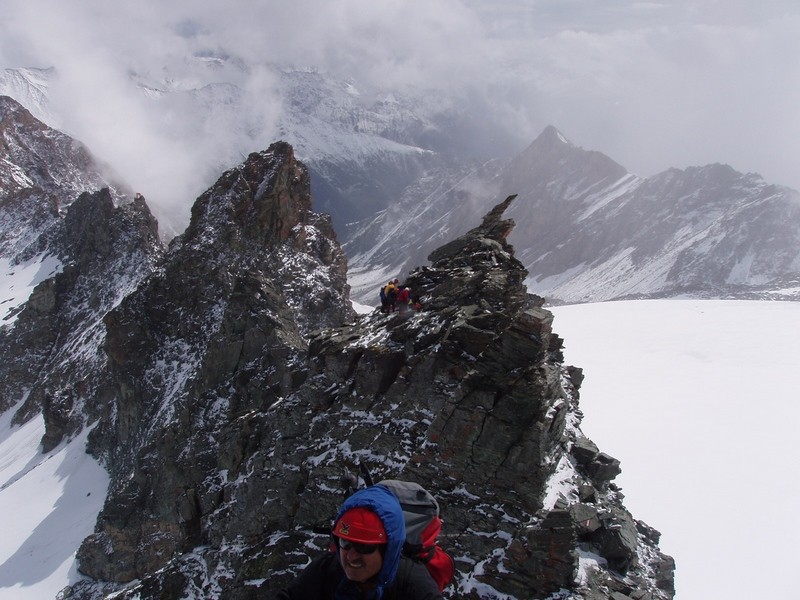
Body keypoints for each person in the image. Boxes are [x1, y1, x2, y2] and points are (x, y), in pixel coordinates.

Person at [276, 485, 443, 599]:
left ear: (388, 549)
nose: (352, 555)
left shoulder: (412, 584)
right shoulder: (327, 570)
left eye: (365, 546)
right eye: (345, 542)